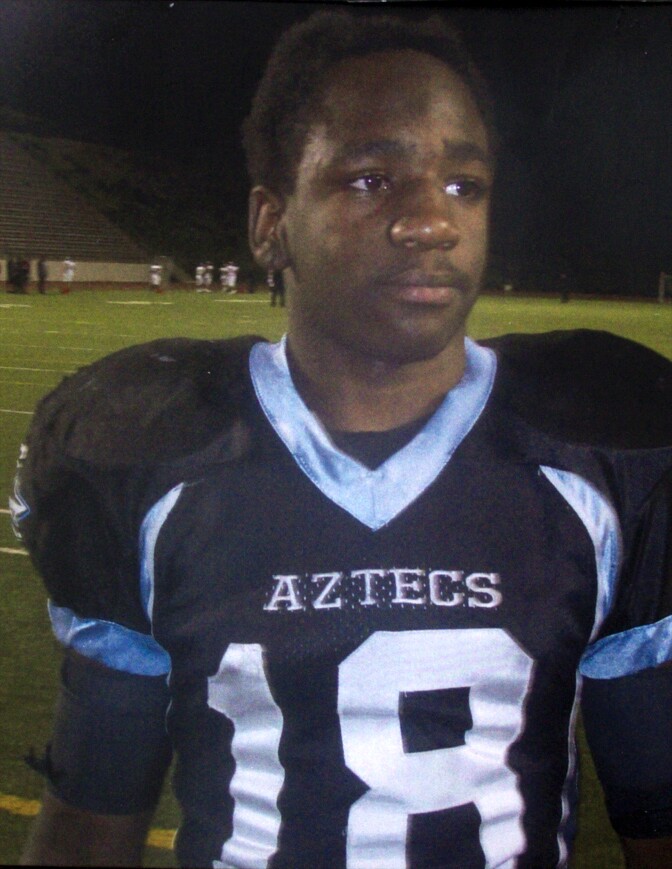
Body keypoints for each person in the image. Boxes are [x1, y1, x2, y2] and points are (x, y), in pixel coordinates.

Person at [12, 10, 672, 869]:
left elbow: (656, 809)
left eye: (464, 185)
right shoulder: (151, 459)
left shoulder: (601, 456)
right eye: (370, 180)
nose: (432, 221)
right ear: (269, 224)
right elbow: (92, 819)